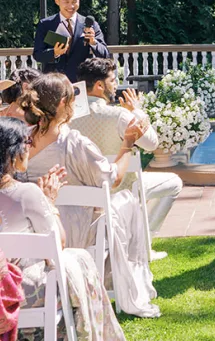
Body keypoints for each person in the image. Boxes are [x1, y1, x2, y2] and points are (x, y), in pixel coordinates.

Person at [0, 117, 134, 341]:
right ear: (12, 153)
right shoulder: (26, 193)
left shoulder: (27, 192)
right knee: (78, 260)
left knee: (76, 261)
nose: (29, 147)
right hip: (19, 293)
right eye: (26, 143)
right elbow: (58, 243)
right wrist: (49, 201)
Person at [18, 74, 160, 317]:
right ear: (63, 104)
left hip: (37, 231)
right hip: (79, 231)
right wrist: (127, 143)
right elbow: (112, 179)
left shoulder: (21, 142)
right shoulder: (73, 142)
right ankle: (126, 282)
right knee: (128, 201)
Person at [73, 58, 183, 260]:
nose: (116, 85)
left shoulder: (69, 116)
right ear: (99, 85)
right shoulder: (119, 116)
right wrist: (137, 111)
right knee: (174, 183)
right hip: (120, 188)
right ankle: (143, 246)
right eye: (113, 80)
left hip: (82, 190)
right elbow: (152, 144)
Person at [33, 0, 110, 82]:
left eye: (74, 1)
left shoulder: (90, 24)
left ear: (79, 0)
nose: (71, 6)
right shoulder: (46, 24)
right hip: (54, 82)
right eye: (66, 1)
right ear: (57, 1)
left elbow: (105, 54)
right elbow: (37, 55)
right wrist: (54, 53)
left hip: (81, 81)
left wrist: (93, 42)